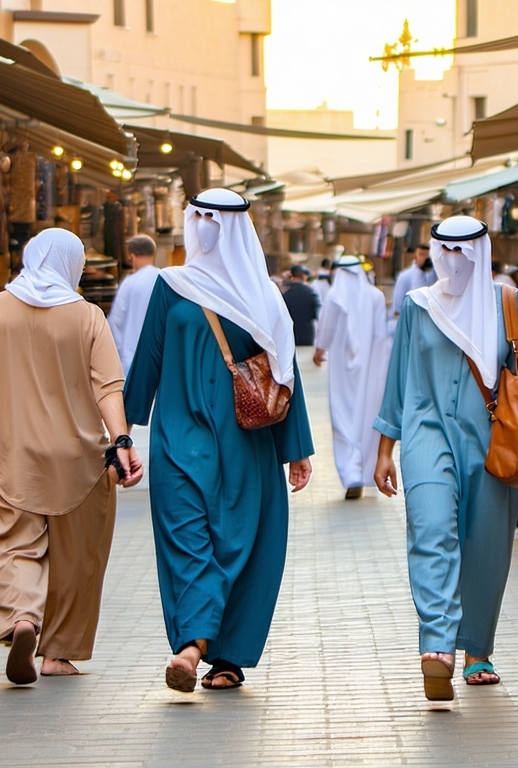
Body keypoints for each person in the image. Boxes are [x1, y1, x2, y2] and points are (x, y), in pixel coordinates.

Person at [123, 188, 315, 694]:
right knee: (187, 540)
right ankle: (191, 646)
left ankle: (227, 657)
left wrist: (296, 448)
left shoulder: (263, 296)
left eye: (215, 218)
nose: (205, 225)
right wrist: (122, 433)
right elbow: (147, 362)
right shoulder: (171, 286)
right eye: (199, 216)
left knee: (241, 545)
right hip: (177, 442)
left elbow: (284, 373)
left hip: (246, 447)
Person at [373, 215, 518, 702]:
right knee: (431, 530)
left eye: (462, 251)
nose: (453, 260)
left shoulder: (508, 303)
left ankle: (477, 650)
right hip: (426, 437)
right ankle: (437, 644)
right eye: (445, 250)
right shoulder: (418, 306)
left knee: (485, 546)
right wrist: (385, 449)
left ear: (481, 252)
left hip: (494, 443)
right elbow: (398, 379)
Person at [0, 228, 143, 686]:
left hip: (14, 457)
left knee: (16, 544)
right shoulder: (87, 316)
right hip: (78, 459)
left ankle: (22, 616)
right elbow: (108, 387)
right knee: (78, 556)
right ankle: (59, 654)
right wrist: (121, 440)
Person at [312, 254, 390, 500]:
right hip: (371, 367)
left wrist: (319, 350)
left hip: (341, 372)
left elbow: (325, 330)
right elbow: (382, 336)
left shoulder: (335, 297)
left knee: (343, 417)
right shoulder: (376, 296)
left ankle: (351, 472)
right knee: (366, 417)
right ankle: (362, 471)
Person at [107, 234, 161, 374]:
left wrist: (120, 352)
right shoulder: (164, 280)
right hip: (160, 360)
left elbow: (115, 321)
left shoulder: (129, 283)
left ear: (132, 256)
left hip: (131, 361)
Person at [389, 244, 437, 330]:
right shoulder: (405, 277)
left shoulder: (434, 276)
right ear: (415, 257)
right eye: (422, 254)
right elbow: (397, 309)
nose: (425, 258)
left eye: (428, 255)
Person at [281, 264, 321, 347]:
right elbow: (318, 314)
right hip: (306, 335)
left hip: (287, 335)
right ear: (304, 276)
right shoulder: (311, 292)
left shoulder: (283, 291)